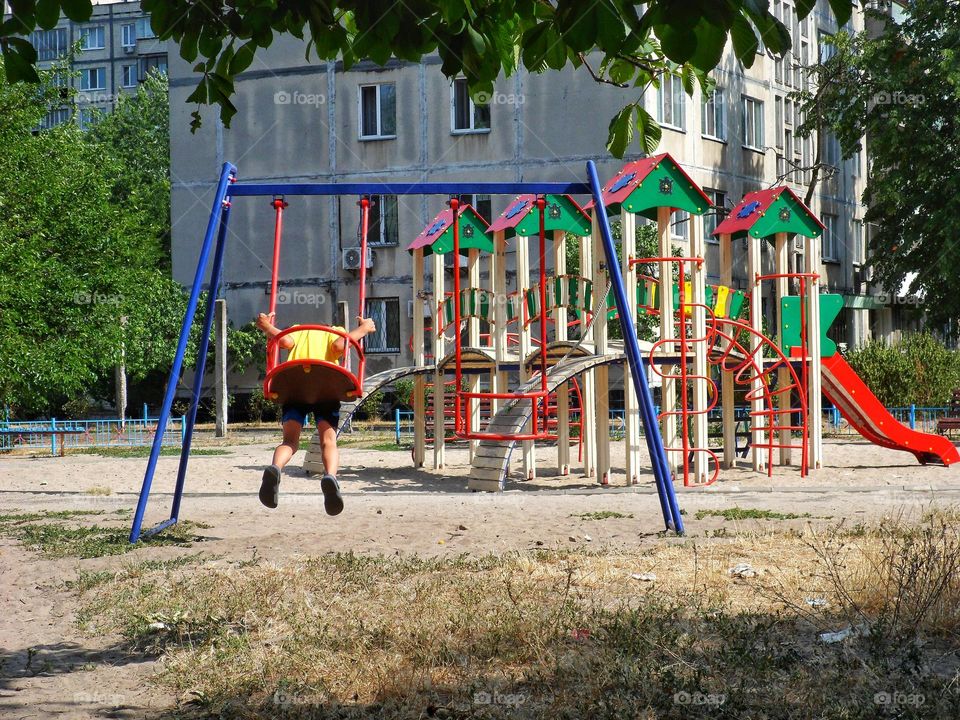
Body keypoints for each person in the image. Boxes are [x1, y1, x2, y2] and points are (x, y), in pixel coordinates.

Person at [255, 312, 377, 515]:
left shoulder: (298, 331)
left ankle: (276, 468)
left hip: (294, 388)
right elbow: (339, 346)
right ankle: (330, 477)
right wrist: (363, 329)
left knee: (289, 442)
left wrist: (266, 326)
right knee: (328, 441)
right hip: (326, 388)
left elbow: (283, 341)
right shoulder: (335, 331)